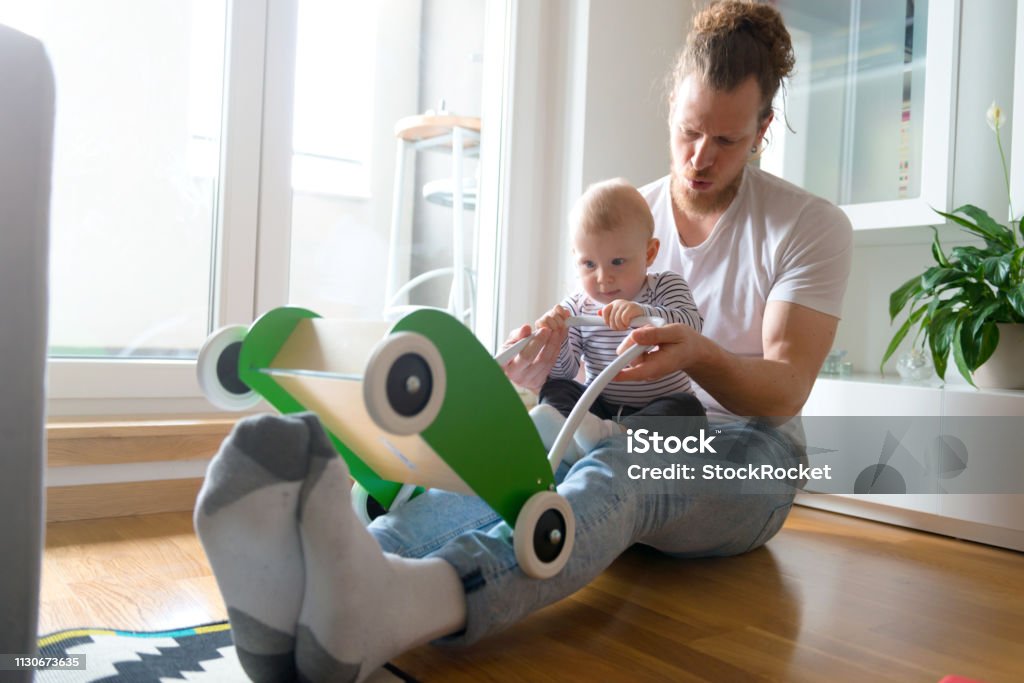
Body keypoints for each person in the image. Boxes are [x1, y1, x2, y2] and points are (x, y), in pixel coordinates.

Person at [194, 2, 853, 682]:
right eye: (688, 132)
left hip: (754, 455)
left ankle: (404, 602)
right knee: (534, 446)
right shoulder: (627, 216)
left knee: (624, 464)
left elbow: (785, 387)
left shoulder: (809, 226)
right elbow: (582, 353)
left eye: (727, 140)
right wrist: (547, 366)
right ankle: (333, 573)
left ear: (763, 130)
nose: (699, 157)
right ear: (671, 114)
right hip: (619, 424)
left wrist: (700, 354)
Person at [528, 177, 705, 457]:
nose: (603, 278)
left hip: (657, 409)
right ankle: (569, 439)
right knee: (557, 388)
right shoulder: (576, 307)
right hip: (599, 410)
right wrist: (557, 339)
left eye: (617, 262)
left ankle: (613, 438)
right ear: (576, 257)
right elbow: (565, 371)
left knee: (688, 412)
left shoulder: (665, 286)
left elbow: (693, 326)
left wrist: (644, 314)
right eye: (588, 264)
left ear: (649, 253)